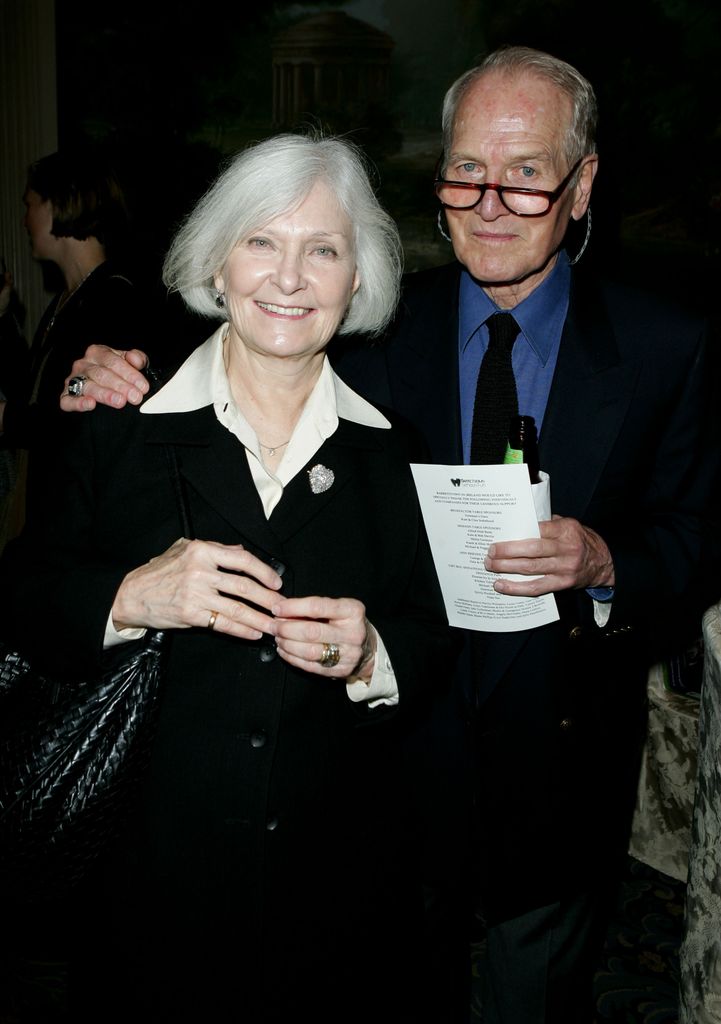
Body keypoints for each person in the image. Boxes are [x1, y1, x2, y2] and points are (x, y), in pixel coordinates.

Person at [55, 46, 719, 1024]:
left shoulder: (669, 345)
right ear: (440, 185)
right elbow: (251, 306)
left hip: (556, 768)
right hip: (383, 778)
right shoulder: (367, 331)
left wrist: (609, 561)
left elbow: (698, 539)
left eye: (526, 173)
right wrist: (110, 365)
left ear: (580, 188)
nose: (489, 201)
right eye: (466, 170)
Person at [0, 133, 452, 1023]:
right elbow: (21, 600)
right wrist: (130, 596)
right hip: (144, 900)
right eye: (260, 241)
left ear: (357, 280)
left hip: (338, 911)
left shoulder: (398, 455)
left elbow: (438, 643)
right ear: (215, 260)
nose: (289, 278)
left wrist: (374, 655)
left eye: (322, 249)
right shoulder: (117, 423)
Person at [0, 147, 149, 523]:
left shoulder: (113, 300)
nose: (24, 219)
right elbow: (34, 390)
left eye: (29, 204)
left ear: (58, 204)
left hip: (79, 520)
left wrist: (9, 421)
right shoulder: (67, 299)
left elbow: (88, 422)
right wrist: (2, 317)